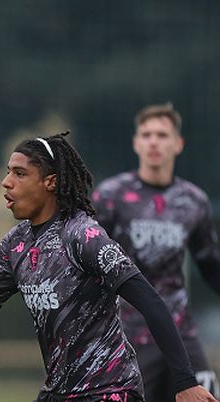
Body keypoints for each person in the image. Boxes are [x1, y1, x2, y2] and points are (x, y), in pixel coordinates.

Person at [0, 133, 217, 402]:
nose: (7, 182)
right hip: (59, 391)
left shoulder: (83, 236)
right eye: (7, 172)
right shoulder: (15, 244)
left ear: (49, 182)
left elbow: (151, 300)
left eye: (19, 173)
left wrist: (184, 380)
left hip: (109, 388)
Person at [92, 103, 220, 401]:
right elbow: (89, 262)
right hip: (129, 335)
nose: (153, 141)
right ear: (136, 143)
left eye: (162, 135)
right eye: (146, 134)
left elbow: (211, 267)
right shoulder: (112, 196)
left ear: (178, 144)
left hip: (181, 333)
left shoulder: (193, 201)